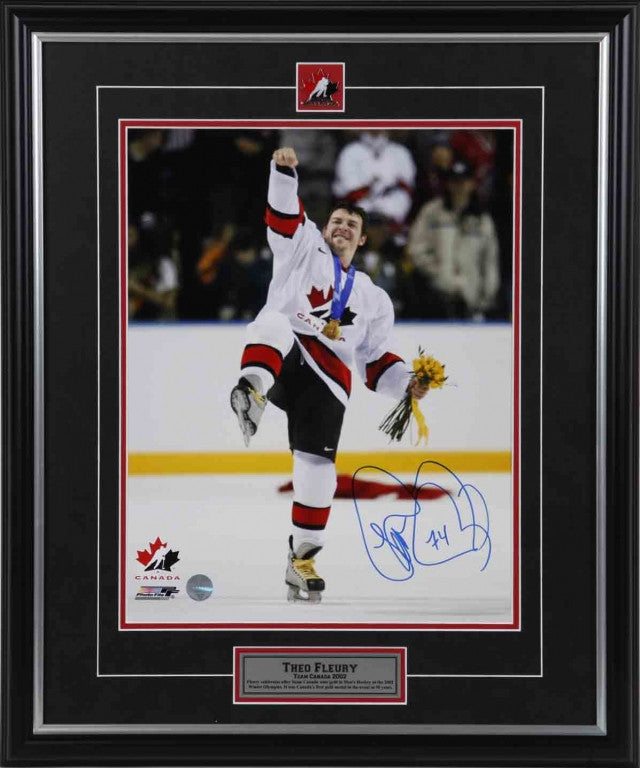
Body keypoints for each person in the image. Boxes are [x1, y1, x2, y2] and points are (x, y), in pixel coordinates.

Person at [229, 147, 429, 604]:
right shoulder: (301, 246)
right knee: (274, 321)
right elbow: (282, 215)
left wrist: (408, 386)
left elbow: (376, 361)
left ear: (361, 241)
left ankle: (301, 559)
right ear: (323, 228)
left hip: (328, 380)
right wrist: (283, 172)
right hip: (285, 354)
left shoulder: (375, 299)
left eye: (352, 226)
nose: (342, 227)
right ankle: (252, 391)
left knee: (319, 469)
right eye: (336, 221)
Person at [406, 159, 500, 320]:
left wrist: (487, 297)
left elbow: (490, 261)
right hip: (436, 297)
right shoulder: (432, 212)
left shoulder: (482, 219)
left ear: (472, 184)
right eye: (455, 182)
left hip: (472, 300)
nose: (459, 187)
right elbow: (415, 250)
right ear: (448, 184)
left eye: (464, 181)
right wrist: (438, 273)